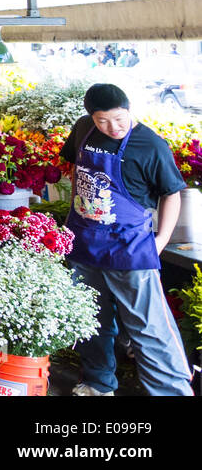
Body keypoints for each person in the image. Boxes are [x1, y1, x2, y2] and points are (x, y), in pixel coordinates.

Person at [60, 84, 193, 396]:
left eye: (119, 119)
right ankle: (97, 384)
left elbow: (172, 194)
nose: (112, 127)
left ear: (129, 109)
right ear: (90, 116)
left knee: (149, 328)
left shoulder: (150, 144)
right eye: (102, 121)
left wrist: (161, 240)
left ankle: (171, 391)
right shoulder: (83, 129)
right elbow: (70, 164)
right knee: (91, 321)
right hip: (83, 243)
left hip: (129, 249)